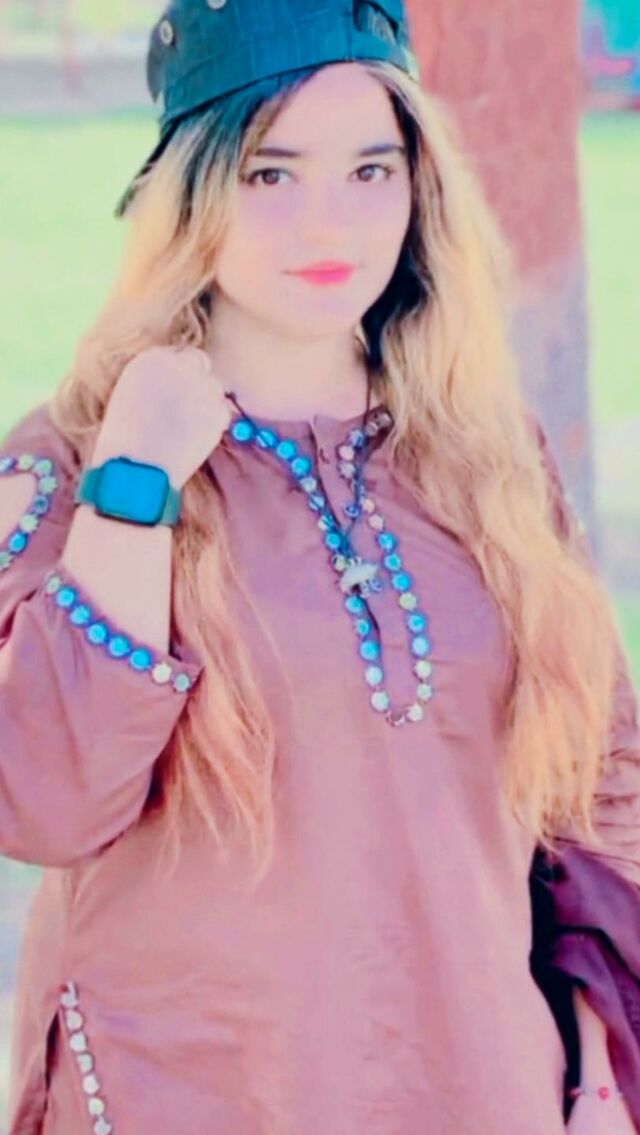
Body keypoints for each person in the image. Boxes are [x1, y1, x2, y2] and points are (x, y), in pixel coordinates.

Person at [0, 1, 638, 1132]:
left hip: (484, 1094)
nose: (326, 221)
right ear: (191, 191)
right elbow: (42, 799)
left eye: (369, 170)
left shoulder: (489, 462)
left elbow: (594, 785)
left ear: (418, 186)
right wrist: (136, 483)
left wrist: (597, 1073)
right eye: (270, 174)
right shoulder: (72, 458)